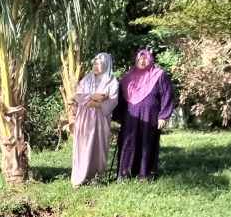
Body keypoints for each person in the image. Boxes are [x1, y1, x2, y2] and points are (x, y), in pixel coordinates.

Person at [113, 48, 175, 180]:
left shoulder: (159, 75)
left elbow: (167, 95)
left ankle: (145, 174)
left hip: (150, 117)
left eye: (145, 58)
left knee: (148, 142)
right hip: (130, 118)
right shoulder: (127, 78)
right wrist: (118, 117)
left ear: (150, 59)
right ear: (136, 60)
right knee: (128, 143)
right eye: (140, 58)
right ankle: (124, 174)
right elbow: (120, 99)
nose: (142, 61)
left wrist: (163, 116)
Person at [70, 52, 119, 188]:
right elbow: (78, 95)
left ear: (106, 65)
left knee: (99, 146)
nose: (96, 66)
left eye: (99, 64)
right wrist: (96, 97)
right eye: (95, 63)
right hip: (84, 119)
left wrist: (98, 103)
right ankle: (80, 177)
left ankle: (96, 176)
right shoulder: (86, 79)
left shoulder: (112, 81)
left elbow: (113, 100)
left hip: (101, 120)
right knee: (82, 146)